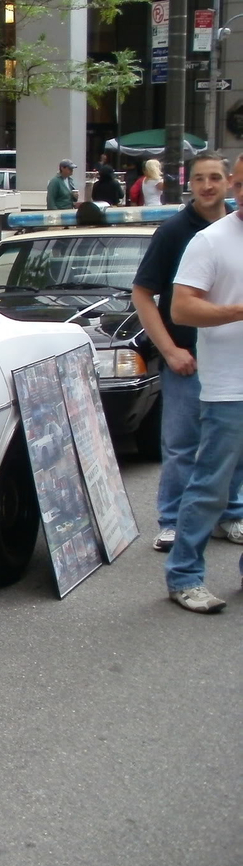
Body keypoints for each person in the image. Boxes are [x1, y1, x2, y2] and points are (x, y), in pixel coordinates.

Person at [132, 152, 243, 552]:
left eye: (216, 177)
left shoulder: (237, 226)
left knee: (232, 445)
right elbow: (143, 294)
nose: (208, 186)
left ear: (229, 182)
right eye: (200, 179)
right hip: (188, 360)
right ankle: (173, 520)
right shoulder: (175, 232)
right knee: (181, 444)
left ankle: (232, 513)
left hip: (233, 361)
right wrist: (171, 349)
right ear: (189, 184)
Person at [161, 154, 243, 613]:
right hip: (229, 388)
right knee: (210, 486)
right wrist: (237, 309)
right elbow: (181, 309)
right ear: (235, 185)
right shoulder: (209, 241)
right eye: (242, 183)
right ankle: (185, 575)